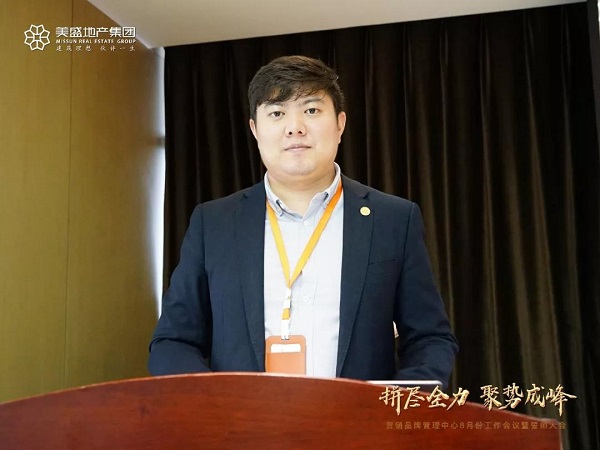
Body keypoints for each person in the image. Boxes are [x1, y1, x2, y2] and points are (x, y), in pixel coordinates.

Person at [148, 55, 458, 385]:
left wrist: (388, 407)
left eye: (311, 110)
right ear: (255, 129)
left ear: (340, 124)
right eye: (277, 113)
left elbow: (430, 339)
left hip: (357, 418)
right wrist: (216, 404)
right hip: (240, 417)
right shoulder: (214, 224)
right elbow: (173, 341)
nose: (294, 127)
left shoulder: (393, 219)